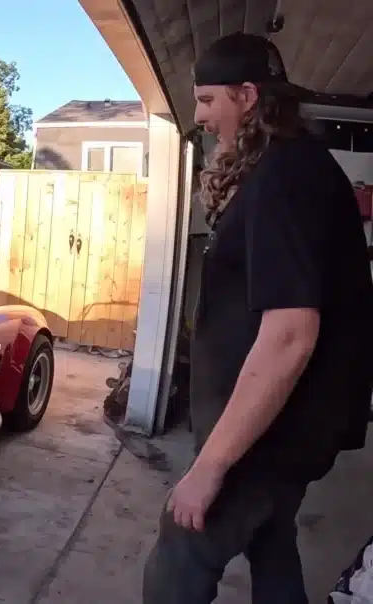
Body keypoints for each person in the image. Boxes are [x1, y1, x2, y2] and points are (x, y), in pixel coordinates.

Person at [142, 32, 373, 604]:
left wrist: (212, 466)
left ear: (246, 96)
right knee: (271, 539)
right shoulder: (295, 167)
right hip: (289, 427)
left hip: (269, 432)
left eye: (207, 100)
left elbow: (291, 333)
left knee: (183, 545)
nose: (200, 117)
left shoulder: (283, 180)